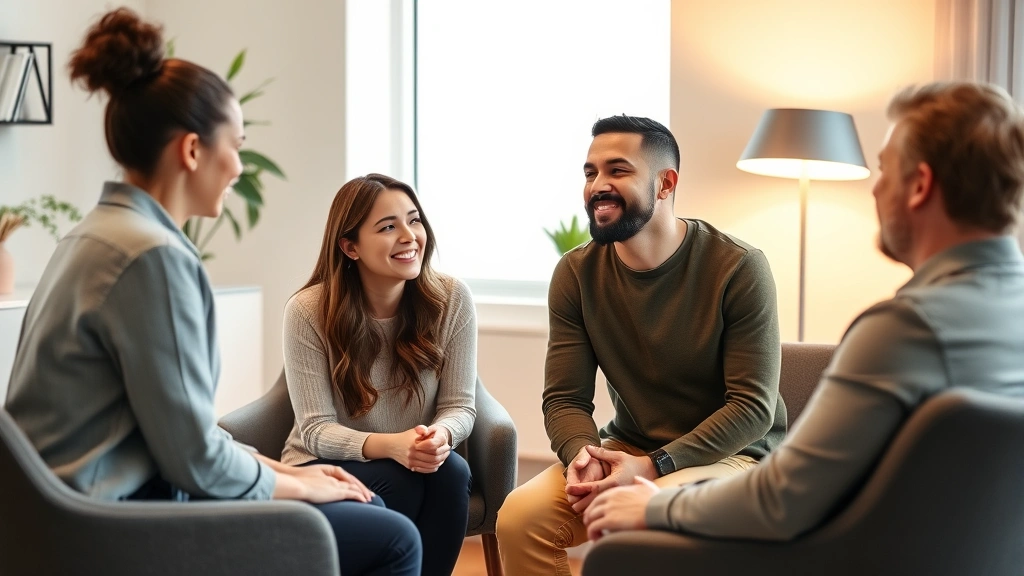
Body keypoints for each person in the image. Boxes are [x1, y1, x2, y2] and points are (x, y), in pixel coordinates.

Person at [3, 8, 420, 575]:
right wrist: (303, 490)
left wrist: (292, 473)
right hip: (110, 525)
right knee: (394, 539)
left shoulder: (89, 236)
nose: (239, 166)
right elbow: (195, 462)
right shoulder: (154, 258)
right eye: (237, 145)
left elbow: (178, 438)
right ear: (193, 150)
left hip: (50, 518)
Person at [583, 81, 1024, 542]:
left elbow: (781, 498)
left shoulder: (903, 331)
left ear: (919, 186)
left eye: (884, 169)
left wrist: (657, 504)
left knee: (634, 542)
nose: (876, 189)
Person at [495, 115, 786, 574]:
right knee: (520, 518)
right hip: (627, 449)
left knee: (644, 524)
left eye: (618, 170)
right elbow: (565, 398)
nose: (598, 185)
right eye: (590, 172)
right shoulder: (575, 273)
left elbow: (752, 408)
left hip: (731, 456)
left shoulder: (738, 267)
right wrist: (582, 456)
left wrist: (654, 466)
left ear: (665, 183)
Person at [280, 173, 476, 576]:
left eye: (414, 220)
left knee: (452, 472)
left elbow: (460, 406)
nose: (409, 236)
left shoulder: (452, 299)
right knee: (399, 481)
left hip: (413, 459)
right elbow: (316, 429)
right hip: (322, 461)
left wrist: (440, 436)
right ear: (350, 246)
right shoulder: (307, 310)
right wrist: (391, 446)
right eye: (388, 227)